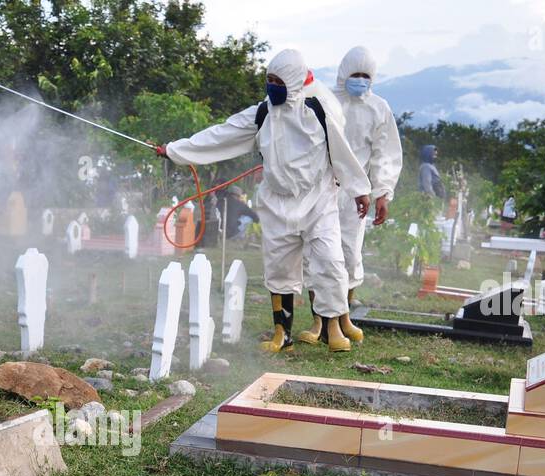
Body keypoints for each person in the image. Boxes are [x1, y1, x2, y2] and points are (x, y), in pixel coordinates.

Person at [158, 49, 371, 352]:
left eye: (279, 81)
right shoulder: (262, 113)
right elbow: (220, 135)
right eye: (269, 80)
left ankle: (333, 330)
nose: (273, 86)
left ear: (296, 82)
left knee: (330, 262)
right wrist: (174, 150)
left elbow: (342, 153)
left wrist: (359, 189)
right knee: (279, 269)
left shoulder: (318, 111)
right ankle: (281, 335)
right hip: (277, 203)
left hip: (317, 201)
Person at [330, 45, 402, 313]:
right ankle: (319, 317)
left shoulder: (378, 108)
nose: (360, 80)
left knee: (350, 249)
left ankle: (345, 309)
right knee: (318, 251)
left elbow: (385, 154)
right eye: (355, 74)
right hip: (323, 189)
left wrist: (383, 192)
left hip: (356, 195)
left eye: (365, 75)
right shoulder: (325, 101)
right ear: (344, 73)